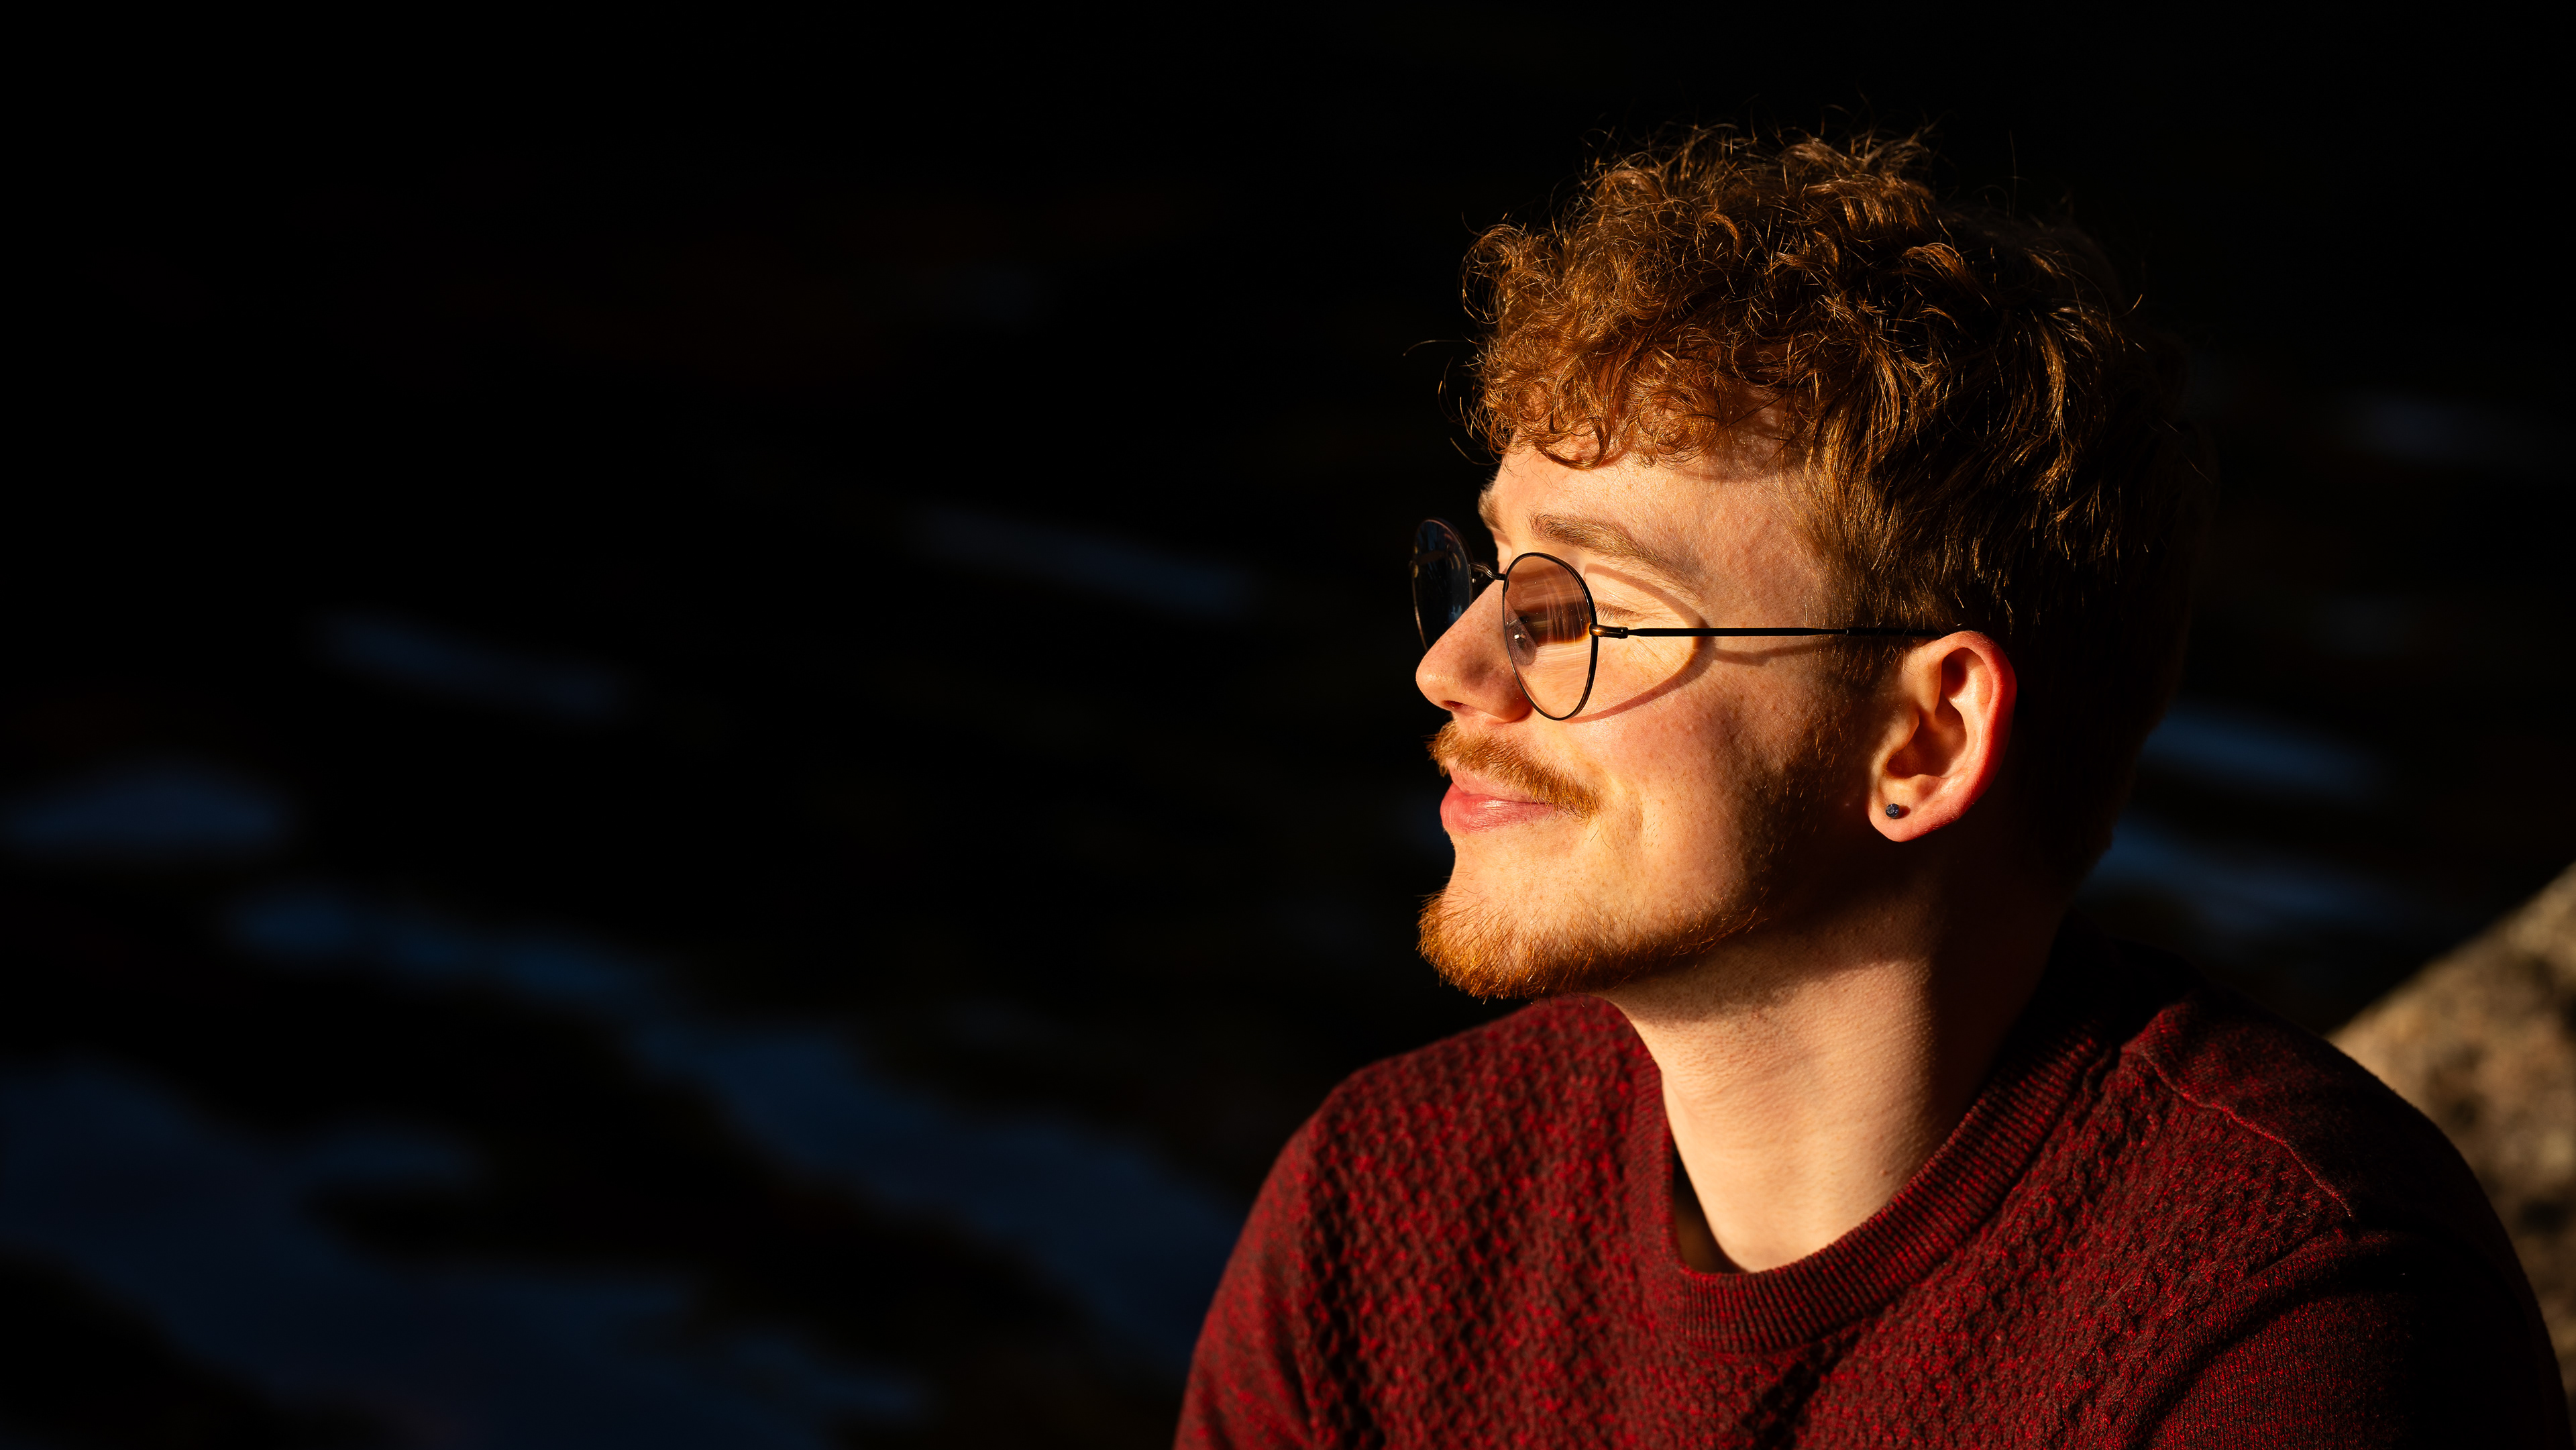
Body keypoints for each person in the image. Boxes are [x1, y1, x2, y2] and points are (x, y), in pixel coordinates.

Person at [1176, 132, 2569, 1447]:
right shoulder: (1383, 1209)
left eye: (1586, 604)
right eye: (1491, 572)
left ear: (1928, 738)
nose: (1452, 666)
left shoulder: (2288, 1328)